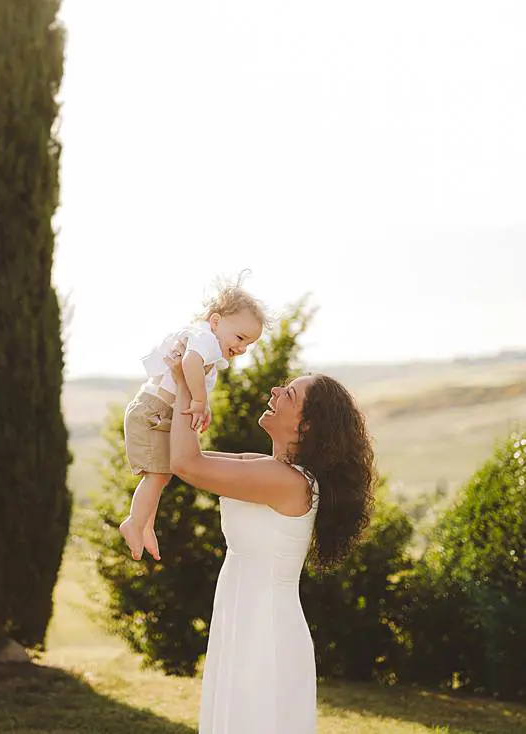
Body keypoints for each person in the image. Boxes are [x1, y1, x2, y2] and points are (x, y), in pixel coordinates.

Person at [168, 360, 376, 733]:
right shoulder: (267, 468)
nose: (275, 393)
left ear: (306, 425)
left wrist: (190, 385)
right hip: (242, 613)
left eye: (289, 394)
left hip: (264, 628)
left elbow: (186, 464)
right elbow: (181, 457)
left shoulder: (287, 482)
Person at [119, 282, 267, 560]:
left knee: (161, 475)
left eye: (248, 343)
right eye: (240, 337)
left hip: (160, 411)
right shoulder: (203, 339)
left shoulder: (210, 344)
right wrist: (198, 401)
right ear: (215, 321)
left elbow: (193, 376)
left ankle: (145, 524)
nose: (242, 347)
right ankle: (134, 523)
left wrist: (204, 403)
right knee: (157, 475)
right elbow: (188, 365)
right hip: (153, 410)